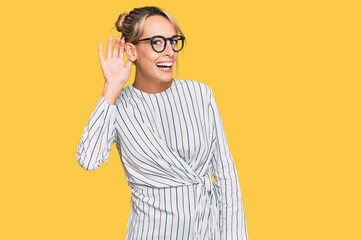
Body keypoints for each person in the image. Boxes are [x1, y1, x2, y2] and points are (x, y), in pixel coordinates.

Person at [76, 6, 248, 240]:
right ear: (131, 51)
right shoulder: (118, 104)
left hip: (206, 232)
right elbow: (89, 159)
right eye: (158, 42)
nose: (170, 52)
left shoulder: (200, 94)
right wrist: (112, 88)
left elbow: (227, 175)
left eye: (173, 41)